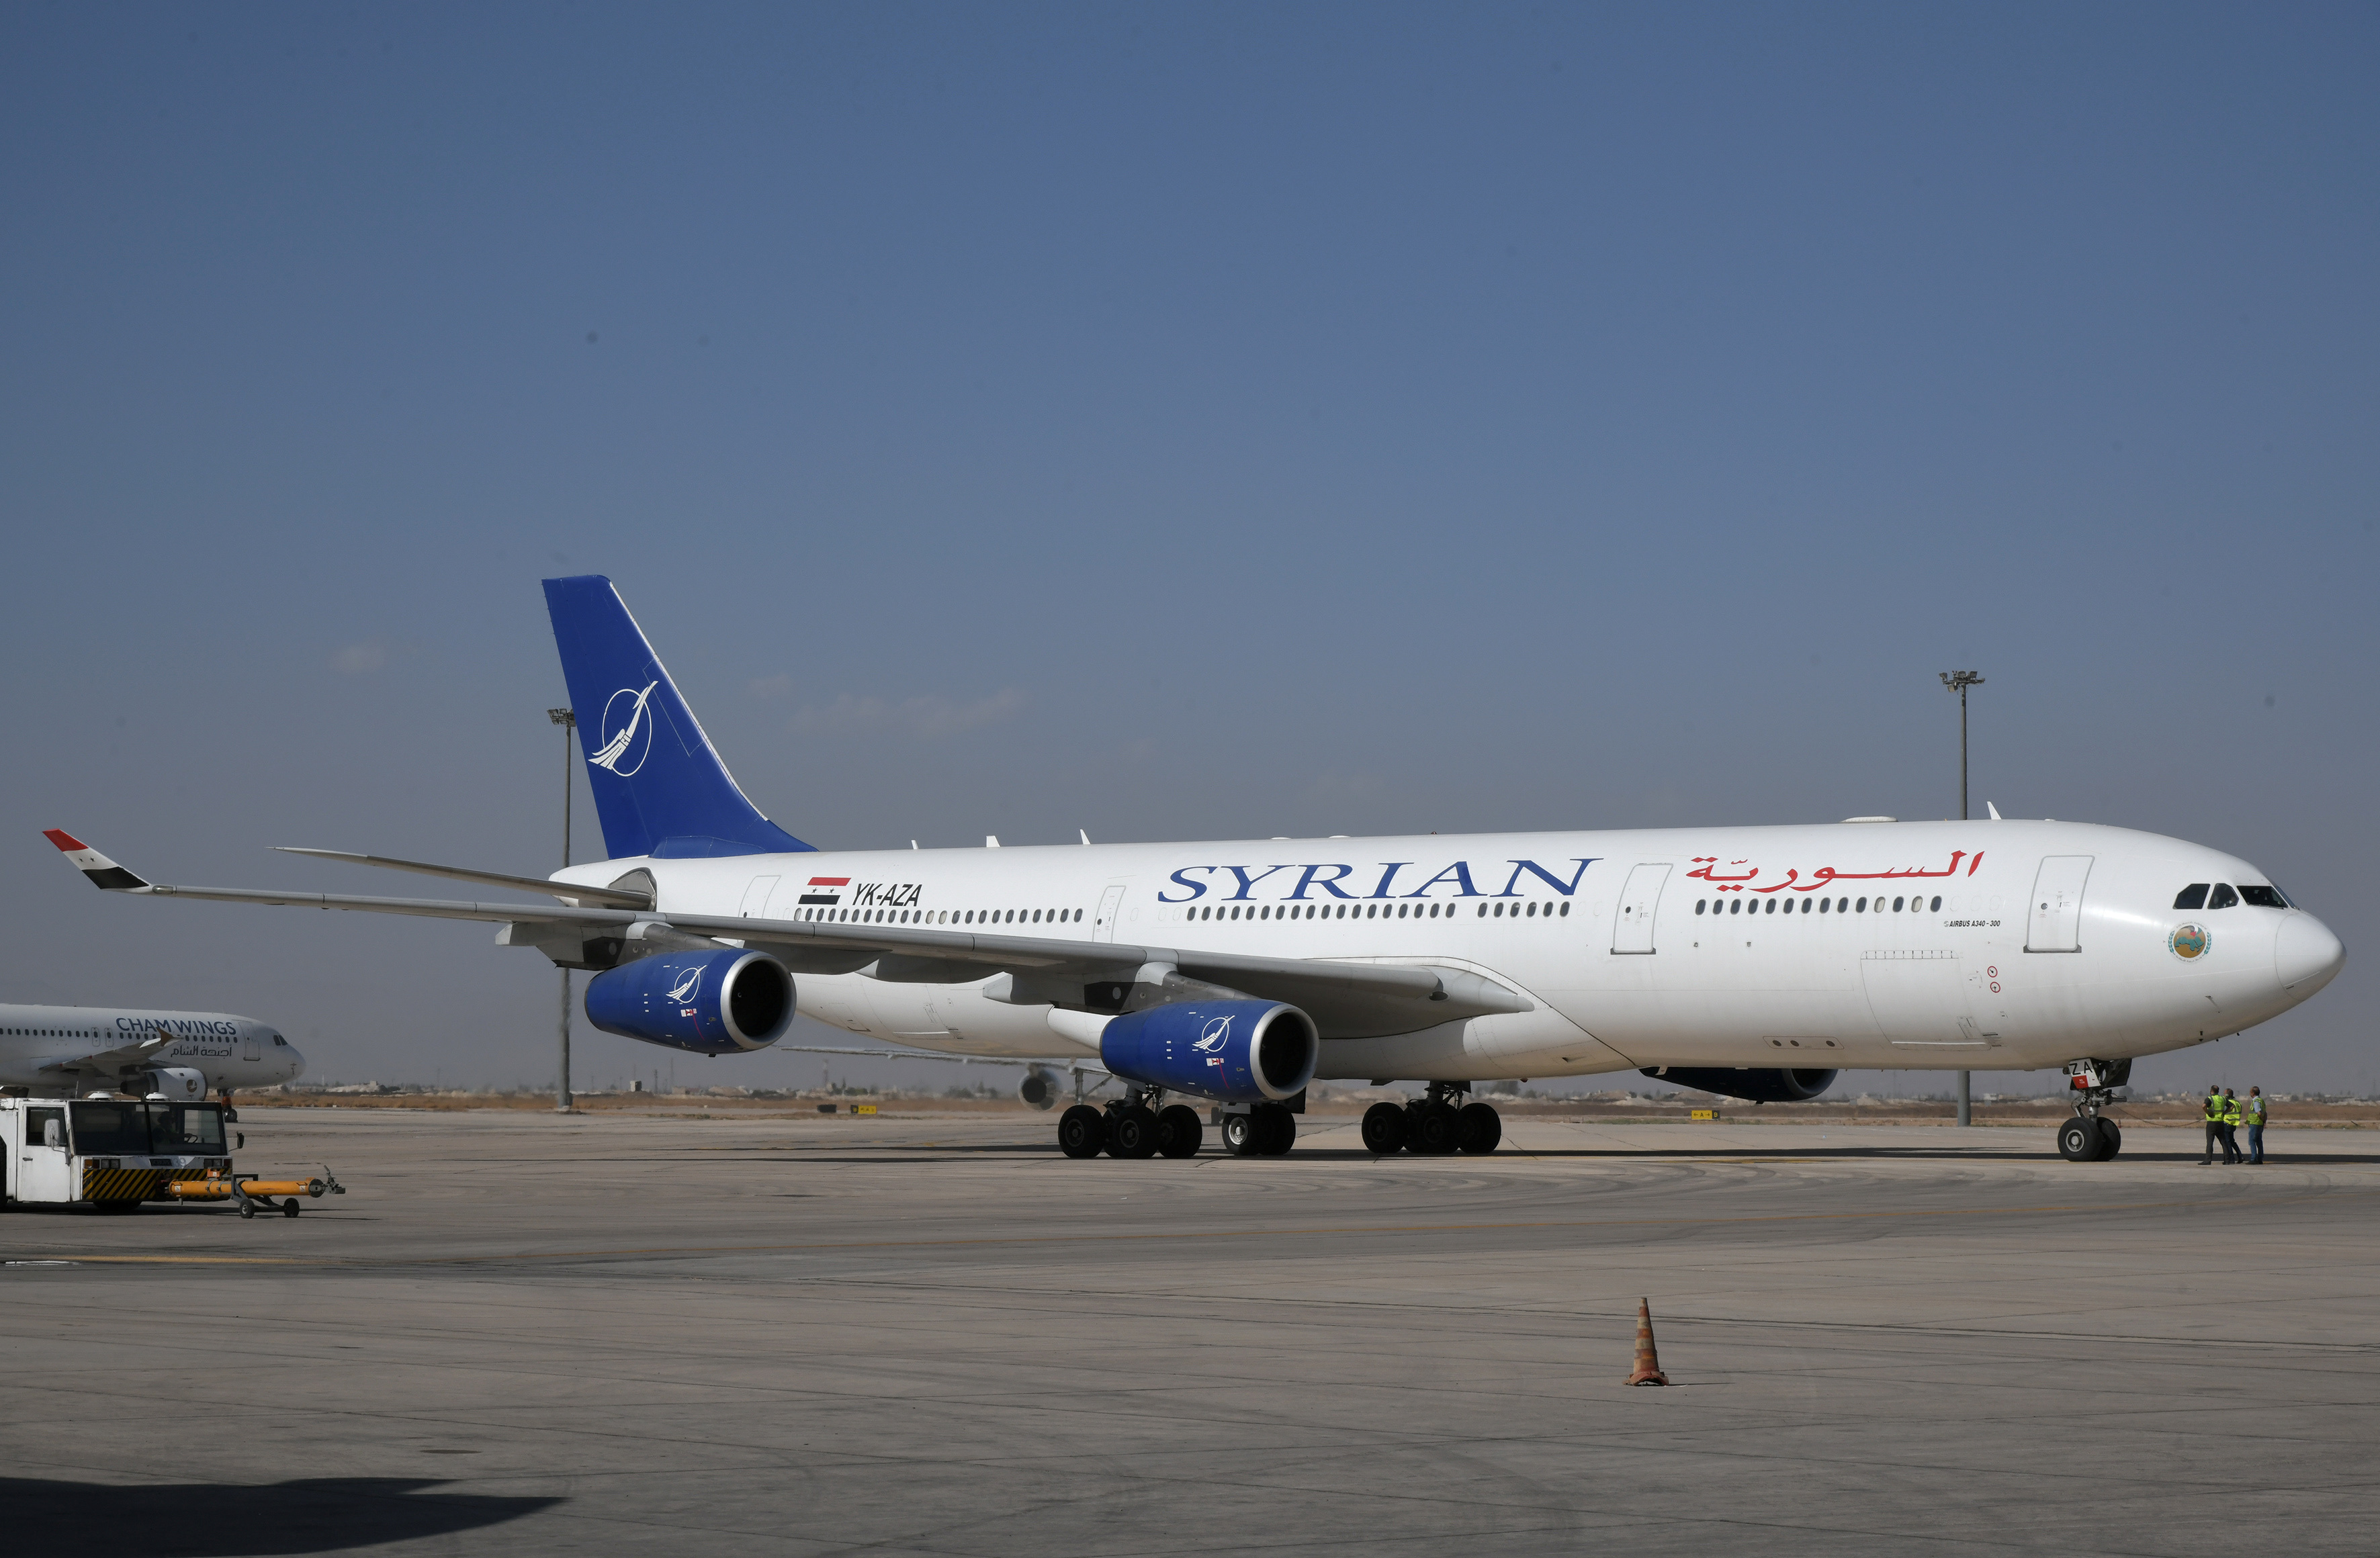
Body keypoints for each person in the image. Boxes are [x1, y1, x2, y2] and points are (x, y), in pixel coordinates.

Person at [2202, 1085, 2225, 1165]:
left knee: (2210, 1142)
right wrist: (2224, 1113)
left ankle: (2208, 1160)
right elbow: (2231, 1106)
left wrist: (2208, 1113)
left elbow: (2204, 1106)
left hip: (2212, 1123)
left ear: (2211, 1091)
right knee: (2223, 1142)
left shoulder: (2210, 1099)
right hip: (2220, 1122)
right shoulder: (2222, 1098)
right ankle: (2227, 1160)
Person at [2219, 1087, 2243, 1164]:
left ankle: (2231, 1159)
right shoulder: (2238, 1103)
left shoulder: (2227, 1103)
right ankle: (2240, 1156)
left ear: (2227, 1095)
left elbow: (2222, 1111)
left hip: (2227, 1123)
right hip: (2234, 1124)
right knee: (2232, 1141)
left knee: (2228, 1142)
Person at [2244, 1087, 2266, 1164]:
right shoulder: (2261, 1101)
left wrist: (2262, 1119)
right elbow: (2265, 1113)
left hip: (2255, 1123)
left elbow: (2259, 1113)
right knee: (2259, 1141)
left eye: (2250, 1092)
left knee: (2252, 1141)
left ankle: (2253, 1158)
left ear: (2253, 1093)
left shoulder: (2256, 1101)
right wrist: (2264, 1121)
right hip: (2259, 1124)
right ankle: (2260, 1158)